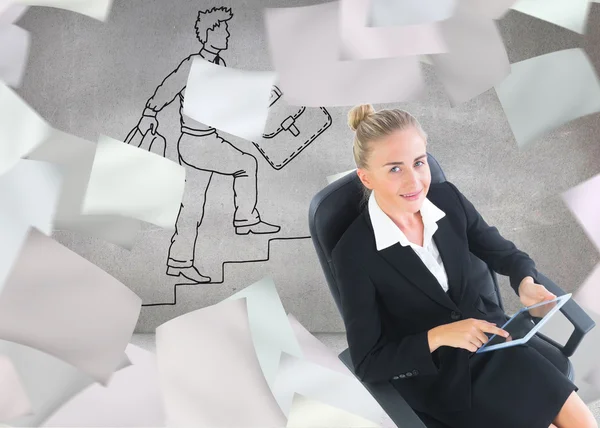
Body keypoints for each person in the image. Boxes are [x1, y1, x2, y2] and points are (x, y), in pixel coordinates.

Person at [331, 104, 597, 428]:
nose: (415, 181)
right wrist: (440, 335)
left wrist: (525, 281)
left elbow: (505, 254)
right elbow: (368, 361)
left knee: (583, 422)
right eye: (395, 169)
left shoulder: (447, 200)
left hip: (495, 341)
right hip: (440, 377)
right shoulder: (354, 252)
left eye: (419, 162)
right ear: (366, 177)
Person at [135, 6, 280, 284]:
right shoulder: (194, 65)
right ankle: (246, 220)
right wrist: (150, 112)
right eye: (222, 28)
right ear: (209, 32)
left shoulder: (218, 65)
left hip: (202, 142)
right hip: (197, 143)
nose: (227, 34)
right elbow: (167, 87)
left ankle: (179, 262)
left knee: (192, 206)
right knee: (247, 165)